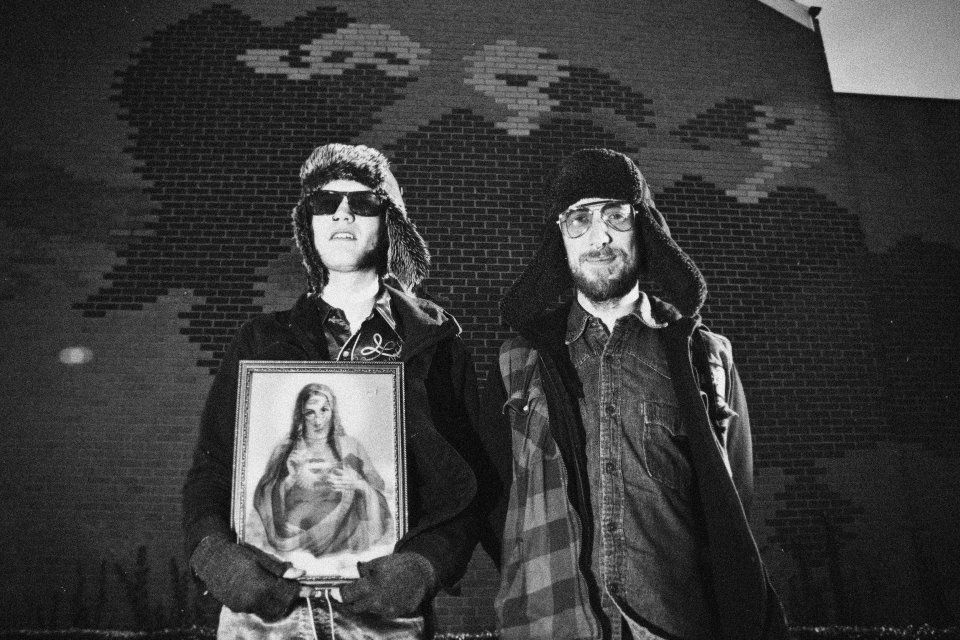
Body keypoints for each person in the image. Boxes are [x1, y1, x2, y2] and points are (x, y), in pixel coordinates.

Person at [183, 143, 490, 639]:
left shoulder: (435, 344)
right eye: (325, 202)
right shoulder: (260, 342)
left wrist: (424, 567)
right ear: (308, 224)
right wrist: (214, 556)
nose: (343, 213)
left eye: (364, 202)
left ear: (388, 222)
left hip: (384, 615)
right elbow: (213, 468)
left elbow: (468, 482)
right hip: (265, 613)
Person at [483, 148, 788, 640]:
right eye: (579, 219)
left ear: (641, 226)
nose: (599, 237)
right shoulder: (518, 361)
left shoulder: (704, 358)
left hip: (675, 627)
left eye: (615, 216)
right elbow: (493, 499)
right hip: (548, 626)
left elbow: (734, 505)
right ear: (560, 237)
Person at [253, 383, 392, 557]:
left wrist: (357, 483)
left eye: (324, 410)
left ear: (333, 411)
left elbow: (378, 486)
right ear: (301, 415)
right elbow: (264, 493)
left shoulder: (350, 446)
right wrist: (290, 479)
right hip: (297, 530)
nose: (318, 420)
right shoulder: (286, 450)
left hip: (344, 531)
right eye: (310, 412)